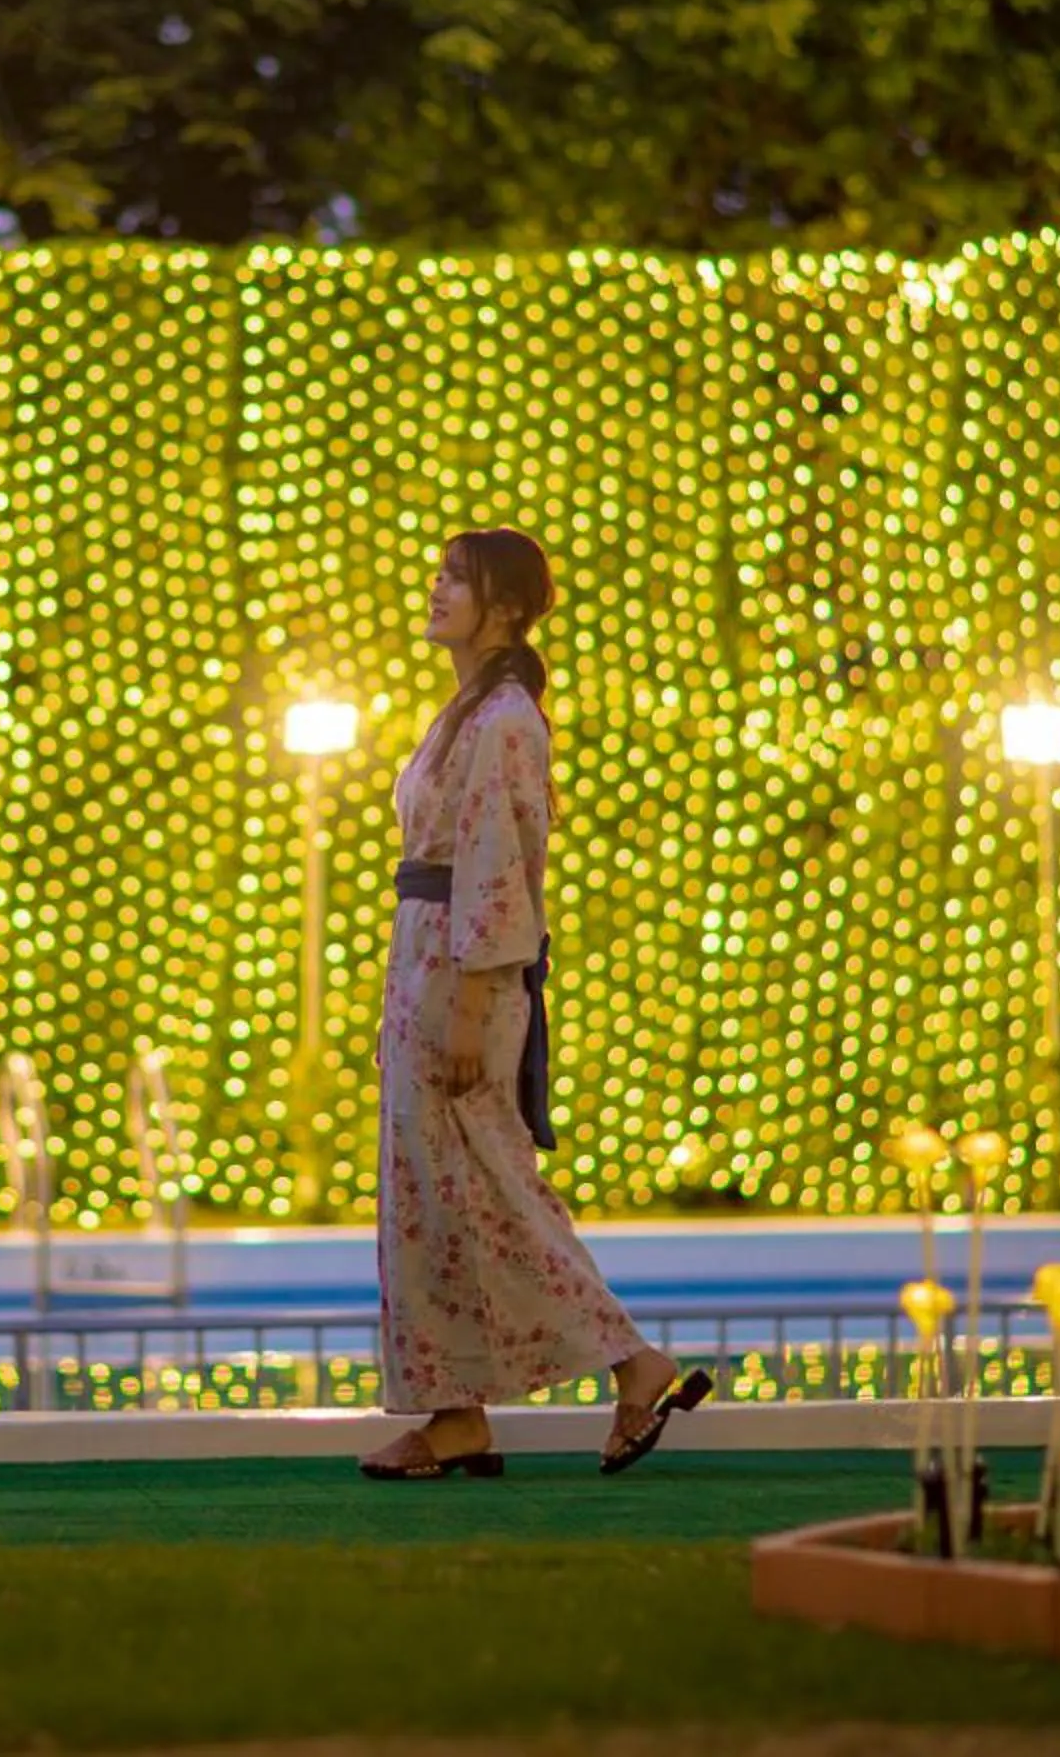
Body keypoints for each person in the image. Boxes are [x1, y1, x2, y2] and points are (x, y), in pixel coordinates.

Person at [359, 526, 711, 1480]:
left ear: (504, 607)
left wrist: (472, 1004)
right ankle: (458, 1411)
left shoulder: (506, 718)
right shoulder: (472, 711)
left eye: (455, 580)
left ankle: (630, 1367)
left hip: (462, 978)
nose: (435, 590)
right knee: (437, 1197)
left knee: (491, 1189)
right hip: (431, 967)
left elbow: (496, 867)